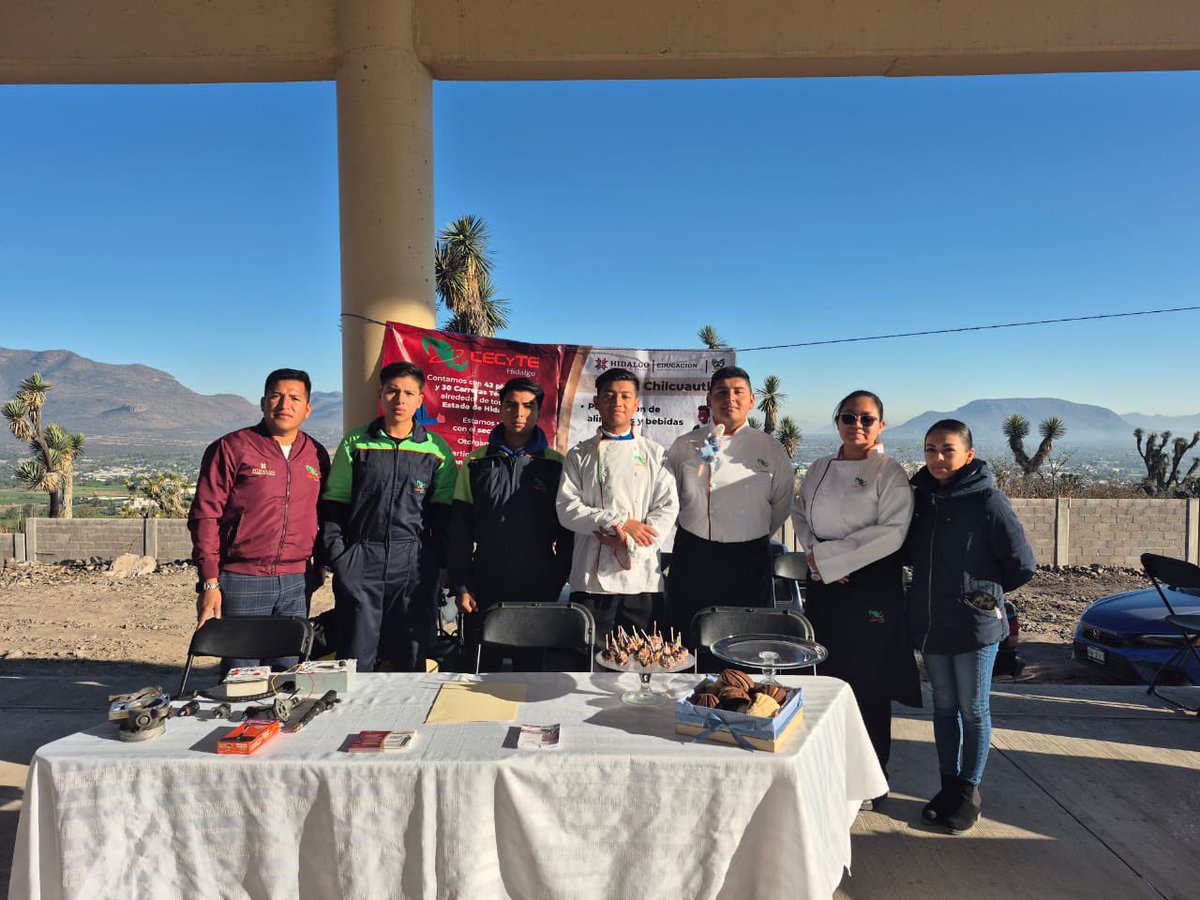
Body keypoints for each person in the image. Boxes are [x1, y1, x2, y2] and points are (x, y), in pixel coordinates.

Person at [792, 389, 921, 807]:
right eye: (849, 417)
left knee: (866, 684)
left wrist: (836, 559)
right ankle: (826, 769)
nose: (857, 426)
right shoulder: (818, 468)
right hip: (825, 585)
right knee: (826, 677)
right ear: (837, 423)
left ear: (881, 425)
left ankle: (870, 780)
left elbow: (893, 532)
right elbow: (800, 514)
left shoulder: (889, 473)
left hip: (870, 584)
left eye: (867, 419)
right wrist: (816, 555)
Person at [905, 419, 1035, 833]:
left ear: (968, 454)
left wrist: (982, 595)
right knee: (943, 707)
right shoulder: (919, 498)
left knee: (973, 709)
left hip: (974, 624)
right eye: (930, 449)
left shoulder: (988, 501)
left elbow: (1022, 565)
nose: (938, 458)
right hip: (931, 621)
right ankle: (947, 786)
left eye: (947, 449)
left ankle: (969, 792)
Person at [188, 368, 330, 672]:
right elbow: (205, 515)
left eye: (294, 398)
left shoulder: (315, 454)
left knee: (289, 670)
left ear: (307, 408)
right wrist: (210, 581)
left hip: (297, 582)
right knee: (242, 673)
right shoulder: (232, 448)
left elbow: (322, 513)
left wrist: (319, 566)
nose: (284, 405)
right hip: (242, 579)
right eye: (276, 396)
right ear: (263, 402)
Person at [321, 361, 457, 672]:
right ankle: (350, 720)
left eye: (409, 393)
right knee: (354, 659)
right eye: (393, 391)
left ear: (421, 400)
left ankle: (405, 721)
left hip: (413, 564)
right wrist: (341, 558)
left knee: (410, 656)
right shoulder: (356, 443)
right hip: (361, 559)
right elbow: (334, 503)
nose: (400, 399)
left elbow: (443, 514)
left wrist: (434, 559)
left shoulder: (436, 450)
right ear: (380, 394)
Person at [448, 377, 573, 666]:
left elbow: (568, 531)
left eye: (528, 406)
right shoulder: (475, 462)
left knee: (530, 673)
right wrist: (462, 583)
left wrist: (556, 578)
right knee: (479, 671)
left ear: (539, 412)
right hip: (484, 583)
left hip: (538, 582)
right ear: (500, 409)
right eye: (511, 405)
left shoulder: (556, 465)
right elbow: (460, 528)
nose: (519, 413)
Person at [665, 366, 794, 638]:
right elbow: (670, 499)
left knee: (747, 642)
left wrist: (749, 533)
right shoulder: (685, 444)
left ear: (751, 401)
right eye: (721, 392)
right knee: (687, 638)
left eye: (738, 392)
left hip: (749, 560)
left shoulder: (770, 448)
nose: (730, 399)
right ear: (709, 398)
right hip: (694, 556)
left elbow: (781, 503)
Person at [557, 368, 679, 643]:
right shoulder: (579, 454)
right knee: (587, 662)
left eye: (625, 396)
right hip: (590, 580)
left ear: (636, 404)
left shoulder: (654, 454)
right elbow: (567, 510)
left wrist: (629, 542)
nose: (617, 402)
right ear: (597, 401)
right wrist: (620, 523)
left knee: (641, 660)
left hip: (641, 579)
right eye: (609, 395)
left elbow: (667, 508)